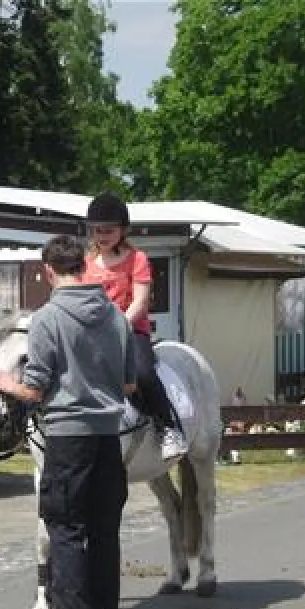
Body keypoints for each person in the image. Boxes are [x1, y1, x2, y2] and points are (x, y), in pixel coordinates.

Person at [0, 235, 134, 609]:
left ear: (48, 271)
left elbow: (34, 389)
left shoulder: (48, 318)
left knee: (67, 533)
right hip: (110, 436)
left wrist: (5, 385)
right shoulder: (114, 316)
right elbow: (128, 385)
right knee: (105, 536)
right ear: (84, 267)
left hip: (69, 437)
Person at [82, 191, 188, 461]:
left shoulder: (137, 259)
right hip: (92, 334)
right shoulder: (85, 264)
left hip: (130, 331)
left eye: (108, 230)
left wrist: (118, 327)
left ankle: (168, 428)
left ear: (124, 230)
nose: (102, 236)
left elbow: (140, 302)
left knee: (142, 373)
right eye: (97, 230)